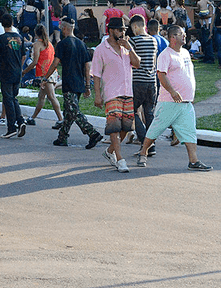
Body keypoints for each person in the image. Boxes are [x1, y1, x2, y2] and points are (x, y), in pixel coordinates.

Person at [137, 25, 212, 170]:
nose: (184, 36)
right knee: (155, 129)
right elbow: (161, 75)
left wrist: (190, 95)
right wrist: (172, 91)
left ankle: (193, 161)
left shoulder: (184, 52)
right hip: (169, 102)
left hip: (185, 102)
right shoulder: (166, 55)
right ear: (173, 38)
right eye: (181, 34)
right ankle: (143, 152)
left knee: (190, 131)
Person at [91, 16, 141, 173]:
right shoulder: (101, 49)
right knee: (114, 127)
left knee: (126, 128)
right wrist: (97, 95)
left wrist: (129, 47)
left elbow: (138, 63)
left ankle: (110, 152)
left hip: (128, 92)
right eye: (120, 29)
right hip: (112, 93)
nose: (122, 32)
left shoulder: (126, 47)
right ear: (111, 30)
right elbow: (96, 74)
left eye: (124, 30)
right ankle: (120, 159)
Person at [44, 17, 103, 148]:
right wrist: (87, 85)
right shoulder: (81, 44)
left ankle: (92, 133)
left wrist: (45, 77)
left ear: (65, 28)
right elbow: (87, 66)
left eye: (61, 27)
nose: (60, 29)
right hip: (79, 83)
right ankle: (62, 137)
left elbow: (55, 63)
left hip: (69, 82)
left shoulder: (62, 44)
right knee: (69, 111)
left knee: (74, 111)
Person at [0, 14, 27, 138]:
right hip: (17, 71)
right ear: (12, 23)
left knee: (7, 99)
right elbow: (24, 56)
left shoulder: (0, 39)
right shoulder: (19, 38)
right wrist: (19, 66)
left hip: (5, 71)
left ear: (2, 24)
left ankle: (11, 127)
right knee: (13, 97)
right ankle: (20, 121)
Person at [22, 24, 63, 127]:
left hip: (45, 74)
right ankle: (32, 118)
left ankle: (61, 119)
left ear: (36, 33)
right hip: (52, 71)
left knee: (52, 97)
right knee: (41, 96)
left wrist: (24, 71)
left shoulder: (37, 45)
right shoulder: (50, 44)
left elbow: (35, 62)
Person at [128, 15, 158, 154]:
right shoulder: (154, 40)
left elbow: (131, 61)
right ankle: (152, 144)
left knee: (132, 111)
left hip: (138, 81)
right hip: (151, 82)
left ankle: (144, 141)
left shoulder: (133, 41)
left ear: (135, 26)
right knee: (149, 113)